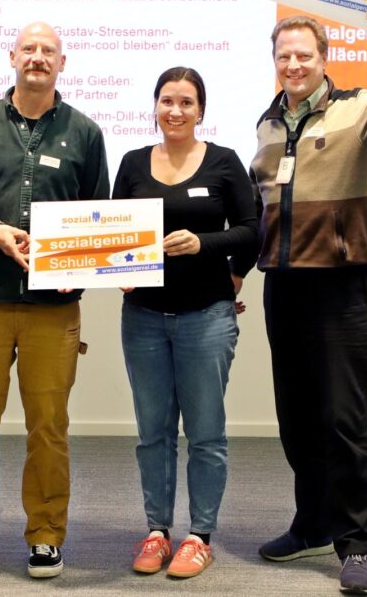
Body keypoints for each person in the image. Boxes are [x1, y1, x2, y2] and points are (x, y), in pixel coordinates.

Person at [238, 0, 367, 596]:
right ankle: (312, 524)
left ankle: (355, 543)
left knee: (344, 417)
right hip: (283, 283)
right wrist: (239, 269)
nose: (293, 65)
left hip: (341, 284)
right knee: (296, 417)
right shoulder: (267, 123)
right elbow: (263, 209)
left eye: (304, 55)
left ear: (323, 58)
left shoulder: (359, 108)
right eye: (284, 56)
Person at [0, 21, 109, 579]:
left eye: (48, 50)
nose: (37, 57)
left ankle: (47, 535)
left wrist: (78, 270)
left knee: (49, 426)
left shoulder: (85, 133)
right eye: (28, 48)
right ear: (12, 57)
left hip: (54, 309)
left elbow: (98, 216)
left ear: (62, 63)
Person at [111, 67, 258, 579]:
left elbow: (252, 230)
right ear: (155, 106)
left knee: (205, 433)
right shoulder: (132, 163)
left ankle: (200, 537)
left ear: (201, 111)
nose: (175, 111)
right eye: (167, 101)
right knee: (152, 433)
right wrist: (117, 271)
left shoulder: (224, 162)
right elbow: (112, 233)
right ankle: (157, 530)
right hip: (144, 319)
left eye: (186, 102)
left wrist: (207, 247)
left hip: (207, 317)